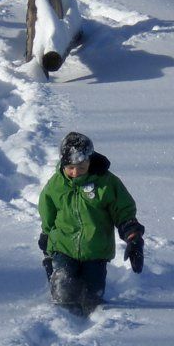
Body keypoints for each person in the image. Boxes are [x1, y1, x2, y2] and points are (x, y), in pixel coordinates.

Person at [38, 132, 144, 315]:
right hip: (63, 246)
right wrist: (46, 236)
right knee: (63, 289)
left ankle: (89, 314)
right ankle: (62, 314)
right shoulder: (56, 185)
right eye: (70, 167)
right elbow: (48, 211)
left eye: (81, 166)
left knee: (93, 298)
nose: (75, 172)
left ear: (90, 159)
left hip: (96, 250)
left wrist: (133, 236)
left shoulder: (106, 183)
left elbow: (123, 211)